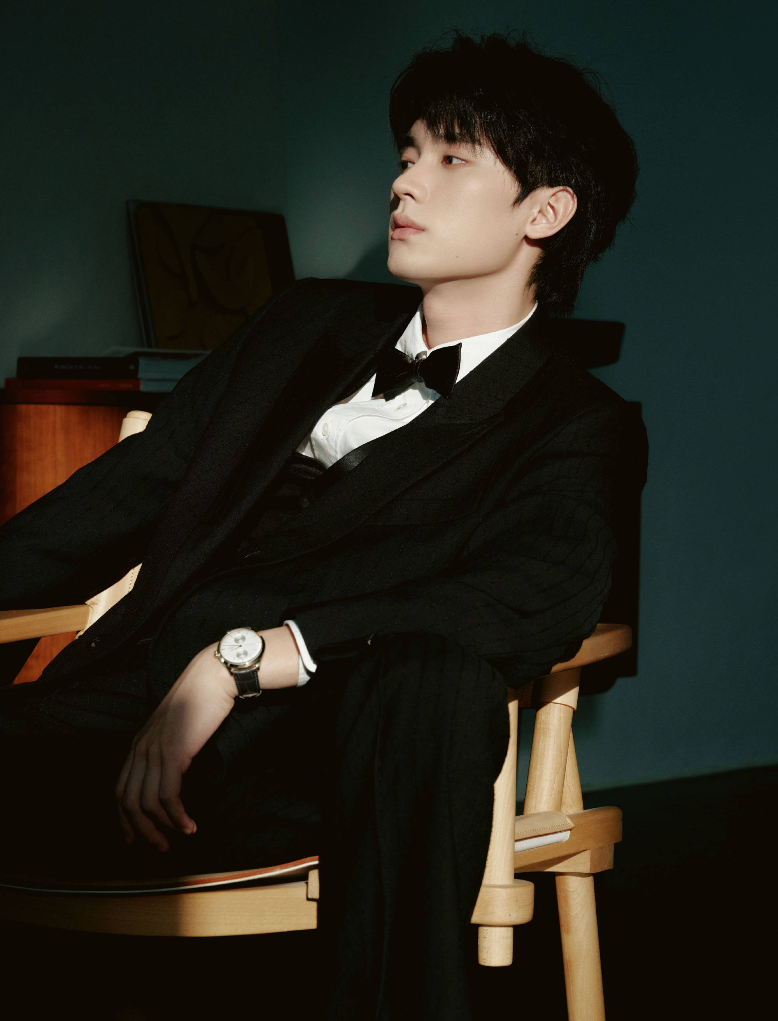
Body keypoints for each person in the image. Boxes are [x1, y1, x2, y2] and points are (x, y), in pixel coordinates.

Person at [0, 30, 647, 1020]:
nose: (404, 182)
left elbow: (537, 590)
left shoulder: (573, 422)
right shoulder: (301, 325)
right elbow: (117, 498)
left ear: (544, 212)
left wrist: (252, 656)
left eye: (450, 159)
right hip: (122, 709)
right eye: (407, 153)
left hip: (324, 750)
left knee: (435, 678)